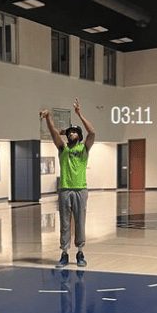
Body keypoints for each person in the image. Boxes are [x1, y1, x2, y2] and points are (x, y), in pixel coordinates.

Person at [40, 98, 95, 268]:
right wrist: (48, 117)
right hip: (65, 190)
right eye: (69, 132)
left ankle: (80, 253)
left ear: (78, 135)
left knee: (80, 221)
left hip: (80, 189)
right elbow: (54, 134)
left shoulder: (84, 148)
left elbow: (92, 133)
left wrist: (80, 114)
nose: (71, 134)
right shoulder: (63, 149)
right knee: (64, 223)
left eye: (74, 132)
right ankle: (64, 253)